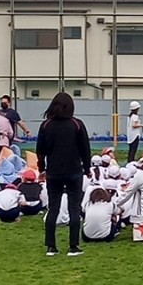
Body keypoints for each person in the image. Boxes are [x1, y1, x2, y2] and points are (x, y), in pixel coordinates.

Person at [36, 92, 91, 257]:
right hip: (74, 172)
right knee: (74, 208)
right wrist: (87, 168)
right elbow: (85, 150)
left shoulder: (46, 125)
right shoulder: (77, 125)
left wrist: (42, 169)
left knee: (53, 208)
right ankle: (73, 246)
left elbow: (40, 151)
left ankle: (51, 246)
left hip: (54, 172)